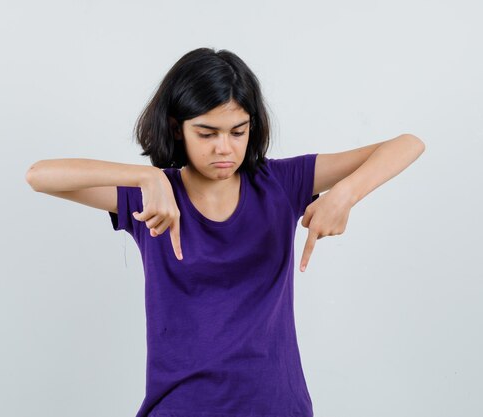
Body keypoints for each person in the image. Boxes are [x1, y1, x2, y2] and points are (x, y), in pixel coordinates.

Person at [26, 47, 425, 417]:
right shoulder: (151, 198)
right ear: (176, 127)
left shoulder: (281, 182)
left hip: (278, 406)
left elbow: (408, 143)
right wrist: (145, 176)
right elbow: (40, 176)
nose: (225, 148)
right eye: (207, 133)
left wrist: (346, 194)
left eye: (238, 131)